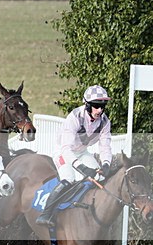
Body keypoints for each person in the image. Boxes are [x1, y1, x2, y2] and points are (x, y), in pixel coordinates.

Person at [36, 85, 113, 226]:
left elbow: (105, 146)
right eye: (96, 106)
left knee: (100, 177)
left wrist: (106, 164)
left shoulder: (104, 121)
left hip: (82, 152)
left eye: (103, 106)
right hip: (63, 152)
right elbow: (66, 149)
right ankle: (45, 214)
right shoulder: (75, 117)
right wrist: (81, 167)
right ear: (87, 105)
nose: (100, 110)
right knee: (68, 178)